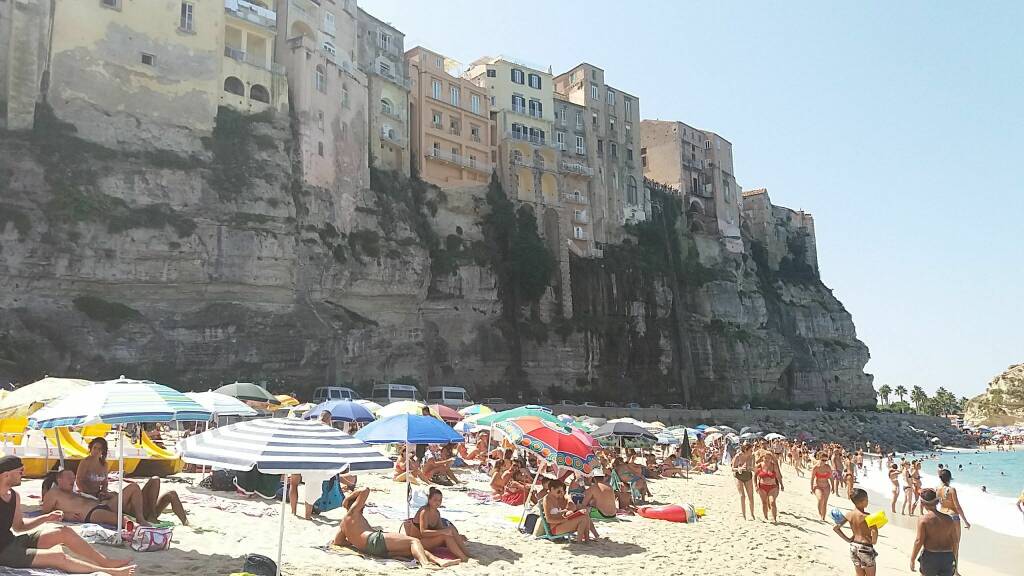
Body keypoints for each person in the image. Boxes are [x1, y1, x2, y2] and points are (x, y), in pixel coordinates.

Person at [0, 456, 136, 575]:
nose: (23, 474)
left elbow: (19, 527)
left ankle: (105, 562)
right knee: (57, 556)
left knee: (63, 532)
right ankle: (111, 572)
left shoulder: (14, 496)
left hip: (13, 542)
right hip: (3, 552)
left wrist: (46, 518)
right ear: (6, 475)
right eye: (20, 471)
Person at [333, 487, 460, 567]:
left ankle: (438, 560)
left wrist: (356, 542)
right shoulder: (353, 512)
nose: (364, 506)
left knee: (413, 548)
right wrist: (347, 499)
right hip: (375, 540)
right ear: (355, 504)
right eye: (362, 505)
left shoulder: (343, 524)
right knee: (414, 541)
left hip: (370, 549)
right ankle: (425, 564)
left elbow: (338, 541)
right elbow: (365, 490)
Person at [76, 436, 187, 525]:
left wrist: (105, 491)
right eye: (94, 448)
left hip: (106, 497)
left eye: (99, 449)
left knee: (158, 482)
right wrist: (94, 495)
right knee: (133, 487)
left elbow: (105, 483)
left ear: (103, 451)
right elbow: (79, 482)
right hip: (93, 498)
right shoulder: (85, 462)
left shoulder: (103, 464)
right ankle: (147, 517)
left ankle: (185, 522)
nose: (96, 451)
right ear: (91, 448)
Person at [405, 488, 470, 561]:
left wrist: (455, 535)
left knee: (450, 530)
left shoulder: (437, 513)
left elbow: (440, 528)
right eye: (435, 500)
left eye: (440, 500)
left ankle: (466, 553)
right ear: (429, 500)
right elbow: (423, 532)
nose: (437, 503)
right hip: (417, 542)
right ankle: (463, 557)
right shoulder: (424, 511)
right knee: (445, 536)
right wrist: (443, 532)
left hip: (427, 540)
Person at [41, 470, 124, 526]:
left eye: (73, 478)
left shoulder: (73, 493)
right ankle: (135, 528)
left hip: (102, 504)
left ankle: (137, 522)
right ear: (59, 480)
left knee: (133, 489)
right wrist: (65, 515)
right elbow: (45, 513)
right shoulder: (53, 493)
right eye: (69, 478)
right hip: (92, 513)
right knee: (121, 520)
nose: (72, 481)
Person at [911, 488, 958, 576]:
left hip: (930, 555)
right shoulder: (949, 519)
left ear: (922, 503)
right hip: (947, 556)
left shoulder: (923, 520)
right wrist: (953, 557)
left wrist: (912, 559)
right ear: (937, 502)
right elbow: (955, 541)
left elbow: (919, 541)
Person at [832, 488, 878, 576]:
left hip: (854, 547)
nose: (868, 501)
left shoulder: (849, 514)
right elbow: (874, 531)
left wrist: (848, 540)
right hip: (866, 548)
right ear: (862, 502)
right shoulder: (868, 516)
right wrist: (873, 541)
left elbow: (835, 528)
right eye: (867, 500)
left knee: (859, 574)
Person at [936, 469, 969, 574]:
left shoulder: (937, 489)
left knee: (943, 544)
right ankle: (955, 571)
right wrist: (966, 521)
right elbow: (957, 506)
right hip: (953, 517)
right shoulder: (951, 490)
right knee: (955, 545)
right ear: (949, 478)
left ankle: (940, 568)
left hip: (942, 516)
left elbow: (934, 502)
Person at [755, 444, 783, 523]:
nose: (767, 459)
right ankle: (765, 517)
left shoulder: (774, 466)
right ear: (762, 458)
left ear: (771, 458)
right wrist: (755, 485)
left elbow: (778, 476)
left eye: (768, 458)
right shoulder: (760, 465)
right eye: (765, 458)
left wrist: (781, 484)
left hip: (773, 486)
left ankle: (774, 519)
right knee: (764, 503)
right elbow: (755, 476)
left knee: (772, 502)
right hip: (762, 486)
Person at [732, 443, 755, 520]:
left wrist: (751, 468)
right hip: (738, 475)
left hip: (748, 475)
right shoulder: (738, 456)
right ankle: (744, 515)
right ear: (745, 450)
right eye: (750, 450)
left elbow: (753, 467)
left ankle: (752, 514)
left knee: (751, 496)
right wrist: (739, 469)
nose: (752, 451)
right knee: (742, 496)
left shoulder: (751, 456)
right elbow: (732, 468)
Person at [811, 451, 833, 522]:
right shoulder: (815, 467)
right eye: (823, 460)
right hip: (818, 486)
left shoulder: (828, 467)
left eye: (826, 460)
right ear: (819, 458)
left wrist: (833, 486)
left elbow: (831, 478)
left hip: (826, 486)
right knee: (820, 499)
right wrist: (811, 488)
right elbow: (812, 478)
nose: (824, 462)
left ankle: (823, 517)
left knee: (825, 502)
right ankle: (820, 514)